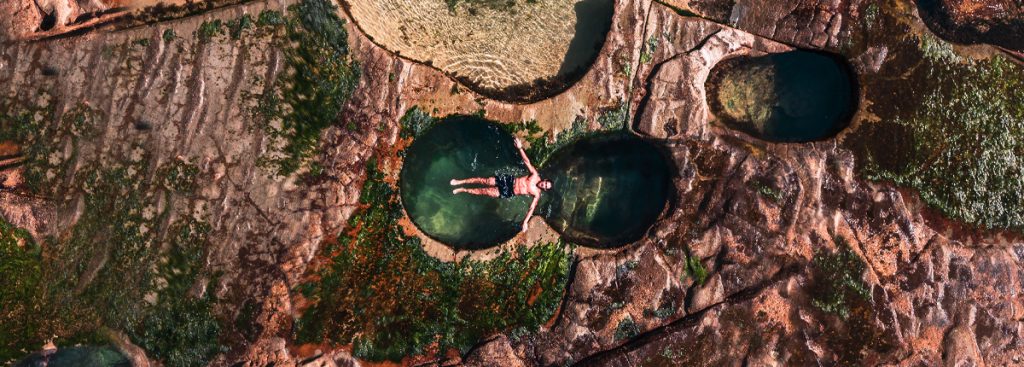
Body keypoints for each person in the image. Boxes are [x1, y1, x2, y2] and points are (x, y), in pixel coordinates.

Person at [451, 137, 552, 232]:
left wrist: (525, 222)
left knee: (484, 191)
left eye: (546, 186)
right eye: (546, 183)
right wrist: (520, 148)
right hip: (509, 181)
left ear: (545, 189)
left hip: (509, 191)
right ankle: (460, 181)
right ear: (545, 180)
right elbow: (527, 162)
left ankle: (463, 189)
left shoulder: (537, 194)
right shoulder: (535, 175)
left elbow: (531, 208)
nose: (544, 185)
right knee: (485, 181)